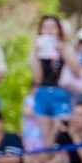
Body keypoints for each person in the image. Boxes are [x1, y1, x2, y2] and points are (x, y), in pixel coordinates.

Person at [28, 15, 74, 149]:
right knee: (46, 137)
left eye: (53, 27)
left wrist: (63, 51)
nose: (49, 30)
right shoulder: (38, 49)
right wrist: (34, 54)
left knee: (60, 132)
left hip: (61, 93)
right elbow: (37, 79)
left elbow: (76, 70)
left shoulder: (65, 47)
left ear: (59, 30)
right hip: (43, 93)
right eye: (45, 27)